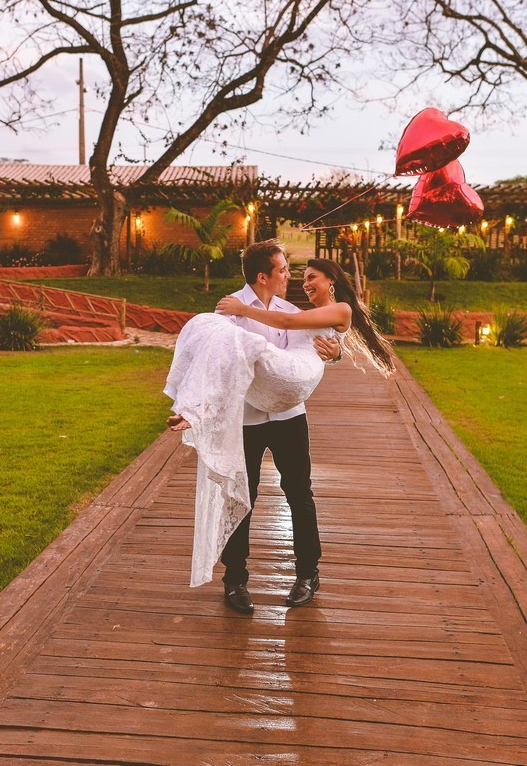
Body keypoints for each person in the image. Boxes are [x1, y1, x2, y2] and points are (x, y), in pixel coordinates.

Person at [163, 241, 394, 613]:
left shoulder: (288, 311)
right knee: (242, 496)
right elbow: (212, 368)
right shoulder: (228, 314)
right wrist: (193, 412)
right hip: (248, 419)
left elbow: (309, 351)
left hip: (290, 418)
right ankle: (235, 581)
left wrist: (335, 354)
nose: (291, 277)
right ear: (263, 275)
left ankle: (307, 574)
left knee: (300, 495)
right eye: (285, 270)